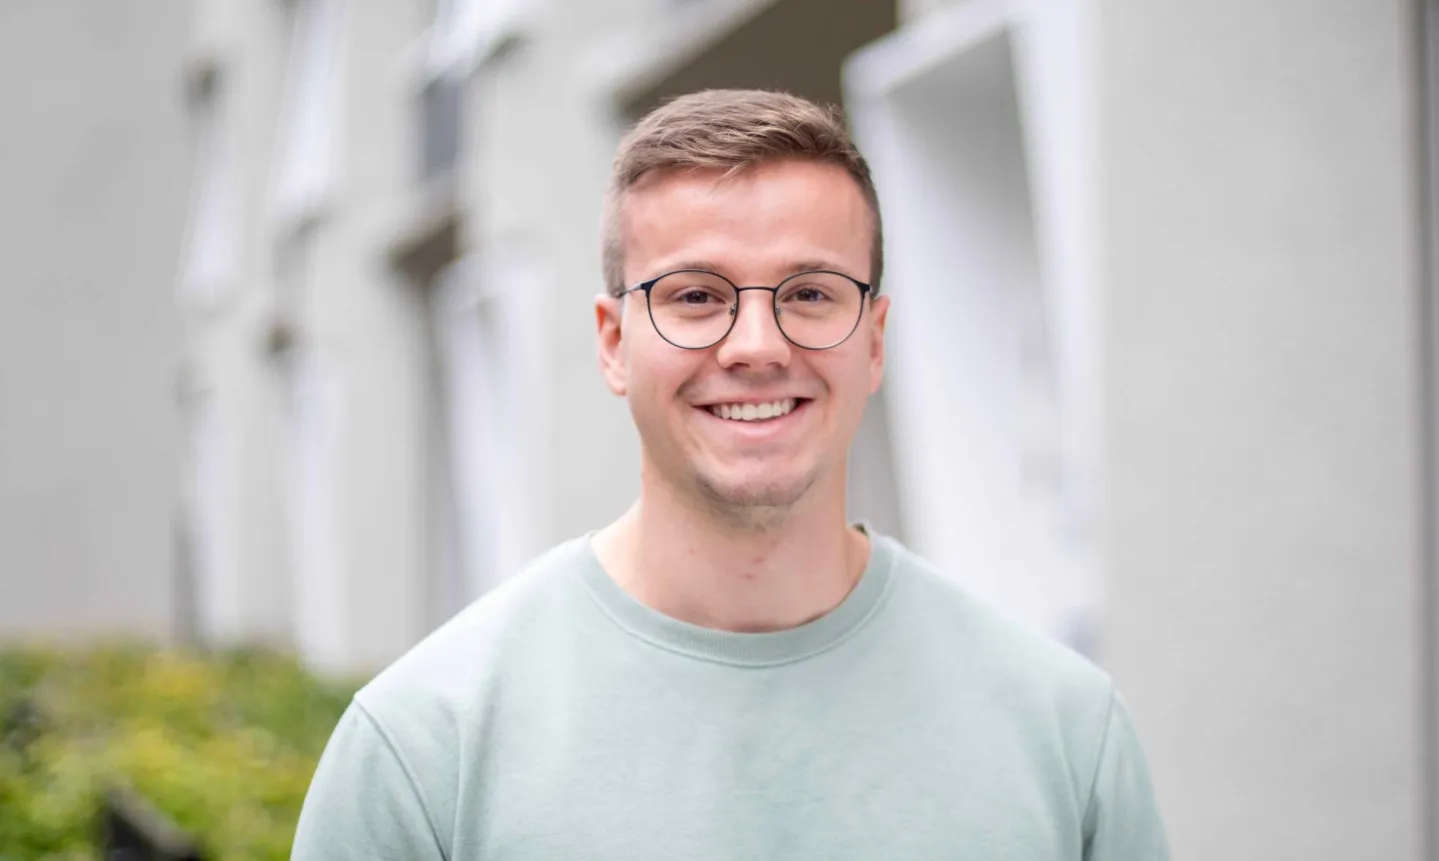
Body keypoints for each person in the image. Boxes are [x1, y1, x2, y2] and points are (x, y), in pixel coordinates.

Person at [291, 89, 1169, 860]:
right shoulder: (423, 743)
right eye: (697, 296)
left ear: (873, 339)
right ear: (611, 343)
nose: (756, 346)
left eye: (812, 293)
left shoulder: (1062, 730)